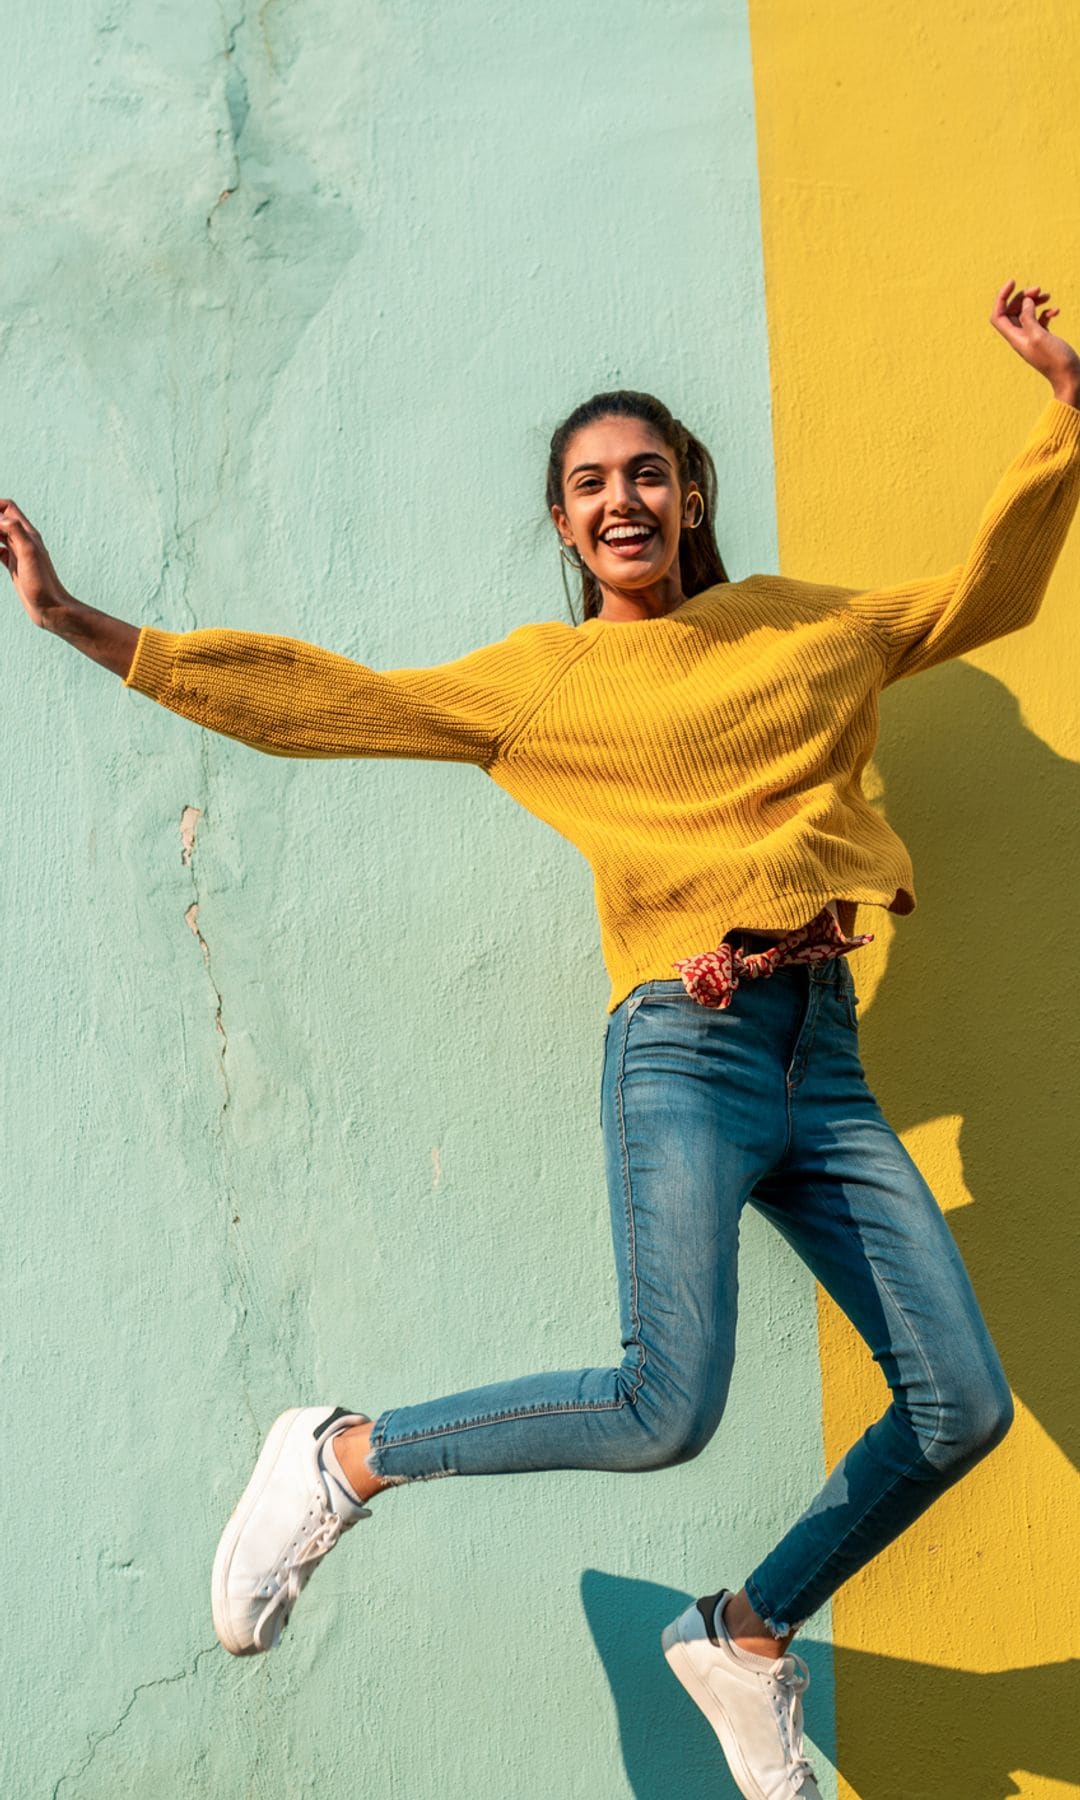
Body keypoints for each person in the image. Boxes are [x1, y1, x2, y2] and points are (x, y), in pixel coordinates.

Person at [5, 278, 1078, 1800]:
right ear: (565, 526)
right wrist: (84, 625)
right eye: (589, 485)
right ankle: (344, 1456)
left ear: (690, 492)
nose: (621, 499)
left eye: (647, 472)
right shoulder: (542, 683)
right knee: (664, 1410)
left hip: (822, 1060)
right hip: (687, 1051)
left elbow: (982, 595)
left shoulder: (800, 628)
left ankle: (743, 1636)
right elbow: (329, 702)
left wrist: (1065, 417)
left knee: (959, 1408)